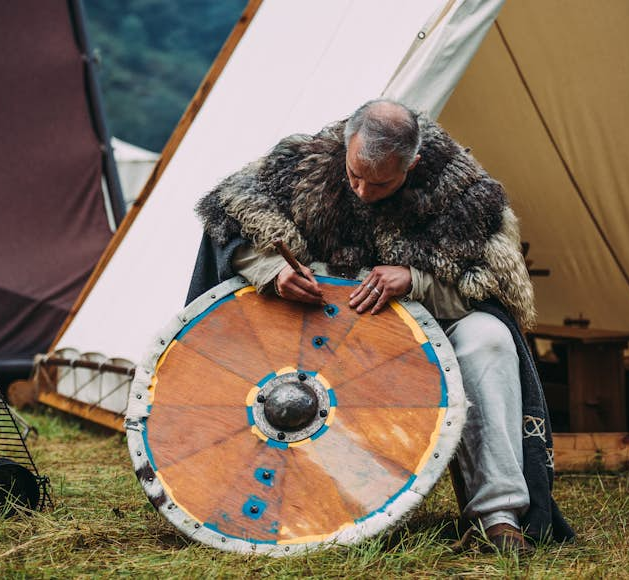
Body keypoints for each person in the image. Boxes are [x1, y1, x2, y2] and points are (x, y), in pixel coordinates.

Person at [187, 99, 574, 554]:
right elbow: (228, 225)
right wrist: (274, 269)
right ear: (346, 145)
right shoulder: (298, 165)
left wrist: (418, 280)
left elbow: (490, 288)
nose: (364, 191)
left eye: (381, 181)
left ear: (414, 163)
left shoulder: (466, 195)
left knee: (489, 337)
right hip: (316, 336)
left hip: (419, 337)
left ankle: (498, 515)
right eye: (354, 176)